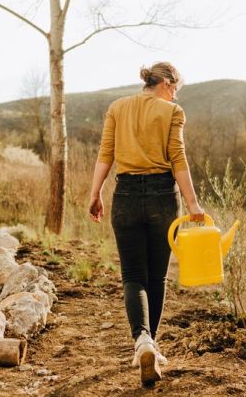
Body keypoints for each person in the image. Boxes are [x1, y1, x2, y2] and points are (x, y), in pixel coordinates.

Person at [87, 61, 205, 385]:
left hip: (124, 195)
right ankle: (148, 344)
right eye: (175, 90)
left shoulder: (117, 107)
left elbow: (105, 154)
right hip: (162, 198)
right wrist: (193, 204)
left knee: (133, 277)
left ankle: (143, 342)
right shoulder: (173, 113)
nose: (175, 97)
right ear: (167, 82)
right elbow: (178, 158)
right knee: (157, 278)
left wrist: (95, 193)